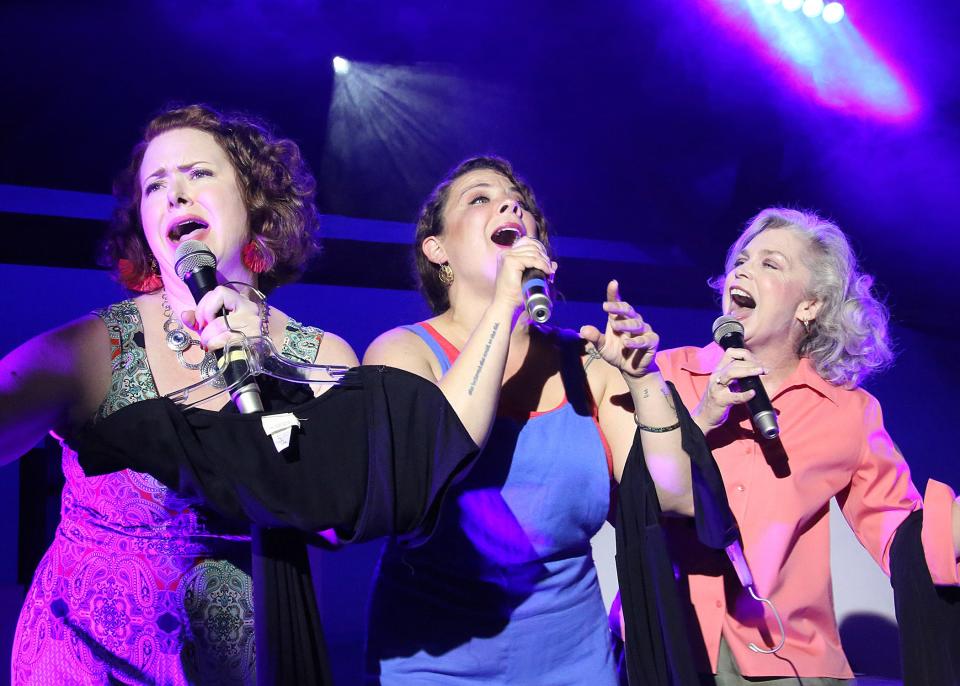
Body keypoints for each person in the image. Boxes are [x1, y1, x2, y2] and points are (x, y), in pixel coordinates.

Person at [1, 103, 358, 685]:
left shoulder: (321, 358)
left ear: (255, 199)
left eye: (199, 174)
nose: (174, 194)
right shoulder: (94, 347)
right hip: (85, 663)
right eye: (155, 186)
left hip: (240, 667)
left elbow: (339, 520)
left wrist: (266, 372)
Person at [362, 155, 693, 684]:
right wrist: (503, 308)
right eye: (479, 198)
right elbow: (421, 474)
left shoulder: (587, 364)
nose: (510, 203)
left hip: (576, 663)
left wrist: (644, 379)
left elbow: (675, 497)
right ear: (437, 250)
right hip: (434, 662)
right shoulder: (403, 352)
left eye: (518, 201)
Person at [642, 208, 960, 685]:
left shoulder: (847, 413)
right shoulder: (666, 376)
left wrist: (951, 529)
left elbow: (901, 535)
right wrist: (703, 414)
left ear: (809, 305)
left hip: (786, 659)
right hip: (669, 641)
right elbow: (624, 491)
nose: (744, 270)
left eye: (771, 264)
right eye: (742, 260)